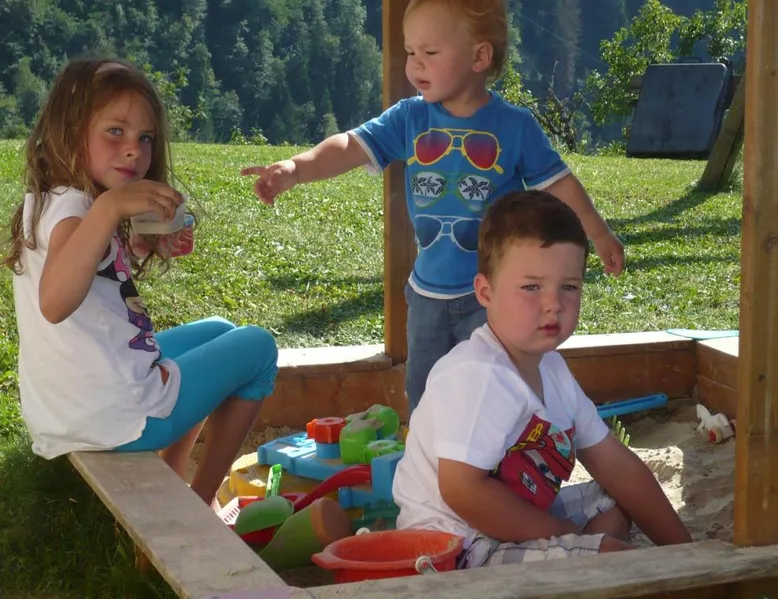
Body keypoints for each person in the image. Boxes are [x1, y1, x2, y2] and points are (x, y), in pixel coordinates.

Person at [241, 0, 625, 414]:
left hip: (493, 297)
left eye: (430, 52)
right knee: (425, 392)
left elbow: (559, 183)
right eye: (411, 52)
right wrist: (297, 168)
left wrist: (599, 233)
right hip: (426, 295)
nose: (415, 65)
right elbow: (350, 145)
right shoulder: (410, 118)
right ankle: (428, 450)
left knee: (495, 389)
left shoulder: (515, 126)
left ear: (479, 57)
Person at [3, 57, 278, 506]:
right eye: (115, 131)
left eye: (145, 138)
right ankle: (201, 500)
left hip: (72, 406)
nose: (133, 149)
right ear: (69, 132)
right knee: (258, 348)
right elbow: (53, 302)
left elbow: (90, 271)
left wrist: (142, 245)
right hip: (112, 416)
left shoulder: (54, 199)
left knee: (220, 331)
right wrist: (111, 208)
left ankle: (173, 475)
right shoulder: (82, 210)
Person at [391, 190, 691, 567]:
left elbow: (618, 468)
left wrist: (689, 554)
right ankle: (580, 562)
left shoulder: (552, 368)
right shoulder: (478, 375)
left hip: (519, 514)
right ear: (485, 292)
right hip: (456, 545)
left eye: (569, 287)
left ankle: (581, 563)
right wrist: (563, 534)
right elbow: (462, 491)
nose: (553, 304)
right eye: (532, 287)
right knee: (613, 559)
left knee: (618, 499)